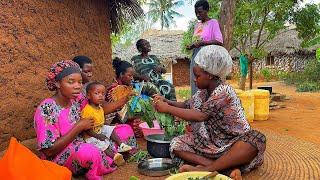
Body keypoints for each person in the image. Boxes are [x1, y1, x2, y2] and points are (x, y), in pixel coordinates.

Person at [154, 45, 266, 180]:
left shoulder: (224, 91)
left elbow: (200, 116)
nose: (195, 80)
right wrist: (167, 101)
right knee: (177, 144)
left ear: (210, 75)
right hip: (211, 144)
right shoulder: (203, 92)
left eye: (197, 76)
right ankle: (226, 169)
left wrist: (167, 109)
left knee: (257, 139)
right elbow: (186, 105)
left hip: (234, 143)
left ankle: (208, 169)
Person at [34, 60, 115, 179]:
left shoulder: (74, 102)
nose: (77, 86)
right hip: (57, 157)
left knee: (118, 133)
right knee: (91, 152)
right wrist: (79, 126)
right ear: (57, 83)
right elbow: (48, 151)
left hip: (81, 144)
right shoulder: (47, 109)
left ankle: (97, 161)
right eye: (71, 82)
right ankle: (95, 166)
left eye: (80, 82)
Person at [81, 82, 133, 166]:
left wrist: (108, 127)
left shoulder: (100, 108)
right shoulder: (87, 111)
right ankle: (114, 156)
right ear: (88, 96)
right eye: (97, 93)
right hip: (91, 135)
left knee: (110, 129)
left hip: (99, 129)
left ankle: (121, 145)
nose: (101, 96)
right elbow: (87, 130)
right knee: (100, 144)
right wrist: (98, 136)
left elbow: (102, 121)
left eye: (103, 93)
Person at [186, 0, 224, 95]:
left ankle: (207, 106)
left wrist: (202, 43)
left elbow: (219, 41)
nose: (198, 15)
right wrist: (191, 46)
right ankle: (195, 104)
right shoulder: (197, 25)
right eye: (196, 13)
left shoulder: (213, 23)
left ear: (207, 10)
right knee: (196, 81)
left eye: (200, 12)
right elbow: (197, 41)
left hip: (207, 59)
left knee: (205, 81)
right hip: (196, 56)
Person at [105, 57, 144, 137]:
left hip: (126, 119)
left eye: (132, 76)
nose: (132, 78)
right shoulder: (114, 90)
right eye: (129, 75)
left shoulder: (127, 88)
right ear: (121, 74)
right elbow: (119, 113)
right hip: (116, 121)